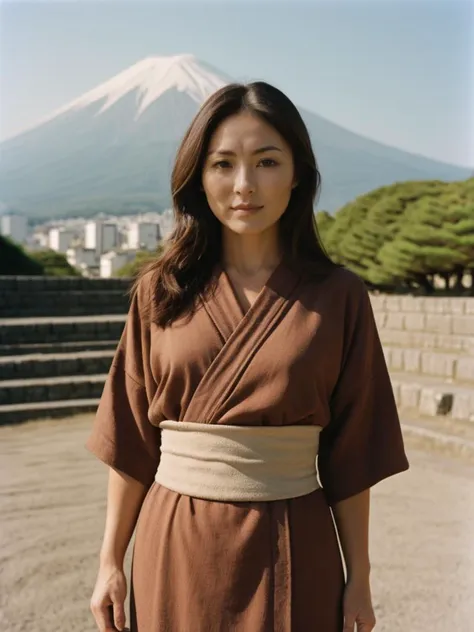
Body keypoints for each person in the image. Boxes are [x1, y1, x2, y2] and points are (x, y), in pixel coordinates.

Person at [86, 81, 409, 632]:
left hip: (295, 541)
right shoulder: (160, 290)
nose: (243, 185)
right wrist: (110, 561)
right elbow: (132, 438)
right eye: (222, 164)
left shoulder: (339, 295)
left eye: (265, 162)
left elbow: (353, 451)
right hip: (175, 543)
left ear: (298, 173)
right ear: (199, 177)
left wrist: (360, 575)